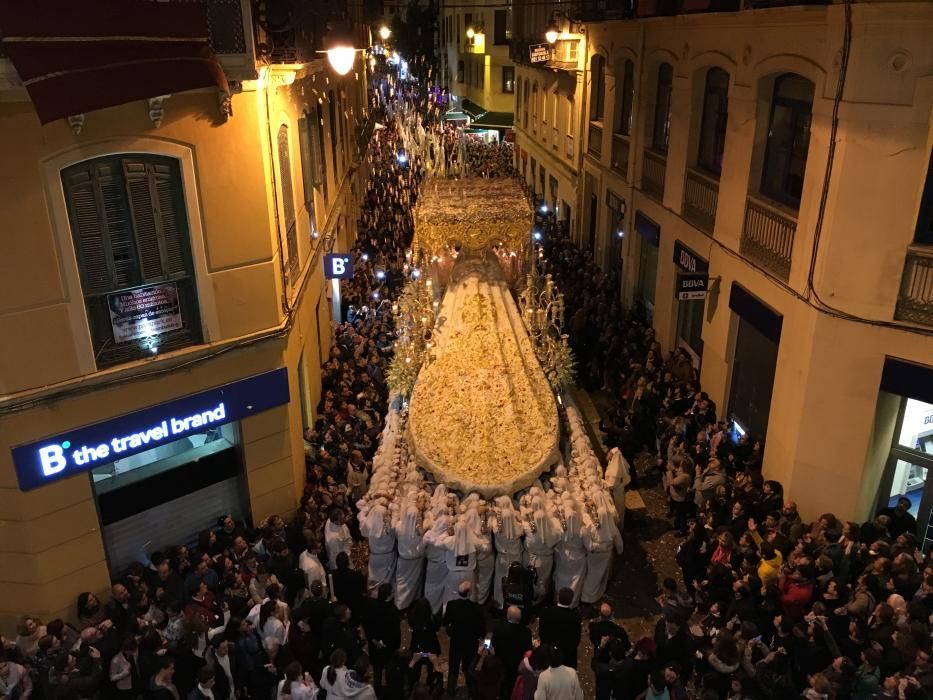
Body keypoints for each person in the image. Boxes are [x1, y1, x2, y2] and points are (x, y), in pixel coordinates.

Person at [443, 580, 486, 694]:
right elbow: (482, 628)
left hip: (456, 641)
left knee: (453, 666)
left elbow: (446, 622)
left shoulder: (451, 605)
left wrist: (451, 633)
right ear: (469, 593)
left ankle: (450, 690)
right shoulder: (476, 608)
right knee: (469, 668)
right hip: (471, 643)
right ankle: (470, 691)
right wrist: (481, 637)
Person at [362, 583, 401, 693]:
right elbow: (395, 632)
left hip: (374, 644)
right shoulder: (393, 610)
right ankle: (389, 691)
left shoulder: (370, 605)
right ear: (389, 596)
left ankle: (377, 690)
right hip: (389, 646)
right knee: (389, 668)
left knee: (377, 668)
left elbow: (366, 623)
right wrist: (389, 644)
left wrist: (372, 639)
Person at [581, 508, 624, 606]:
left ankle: (586, 595)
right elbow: (619, 544)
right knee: (600, 575)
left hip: (593, 556)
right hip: (605, 556)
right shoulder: (613, 528)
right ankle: (595, 594)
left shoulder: (591, 527)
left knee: (591, 574)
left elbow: (587, 543)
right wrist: (619, 551)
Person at [490, 606, 532, 700]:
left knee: (503, 688)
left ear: (508, 616)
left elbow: (492, 645)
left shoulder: (499, 629)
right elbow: (528, 650)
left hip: (502, 664)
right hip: (518, 666)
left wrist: (485, 646)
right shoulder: (526, 632)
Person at [553, 498, 588, 608]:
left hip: (564, 559)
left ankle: (559, 601)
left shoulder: (561, 529)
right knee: (575, 583)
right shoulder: (582, 530)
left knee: (561, 580)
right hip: (578, 560)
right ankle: (572, 603)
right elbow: (588, 545)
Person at [491, 497, 525, 609]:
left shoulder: (497, 529)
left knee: (500, 579)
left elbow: (493, 521)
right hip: (515, 557)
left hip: (502, 557)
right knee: (515, 581)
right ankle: (513, 602)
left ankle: (499, 602)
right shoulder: (518, 529)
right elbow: (523, 527)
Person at [537, 588, 582, 669]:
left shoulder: (546, 612)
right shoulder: (575, 617)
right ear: (571, 600)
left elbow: (541, 633)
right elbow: (576, 640)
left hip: (548, 653)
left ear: (558, 598)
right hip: (566, 656)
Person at [360, 500, 397, 596]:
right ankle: (386, 597)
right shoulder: (390, 527)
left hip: (374, 558)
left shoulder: (368, 526)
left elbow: (360, 516)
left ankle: (373, 596)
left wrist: (370, 506)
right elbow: (396, 510)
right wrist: (390, 504)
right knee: (386, 580)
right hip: (388, 558)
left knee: (374, 579)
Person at [394, 503, 426, 610]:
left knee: (401, 581)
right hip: (415, 561)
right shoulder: (419, 532)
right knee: (413, 583)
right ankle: (411, 602)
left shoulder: (399, 527)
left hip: (403, 560)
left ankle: (400, 603)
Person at [441, 518, 477, 608]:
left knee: (450, 598)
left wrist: (447, 533)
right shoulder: (473, 541)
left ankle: (449, 618)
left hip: (453, 574)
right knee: (469, 598)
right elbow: (486, 547)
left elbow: (439, 541)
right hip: (469, 574)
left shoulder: (449, 541)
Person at [423, 514, 451, 615]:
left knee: (430, 587)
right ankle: (436, 611)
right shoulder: (446, 537)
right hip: (442, 566)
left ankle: (428, 609)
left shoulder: (429, 534)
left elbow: (422, 547)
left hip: (431, 564)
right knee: (441, 589)